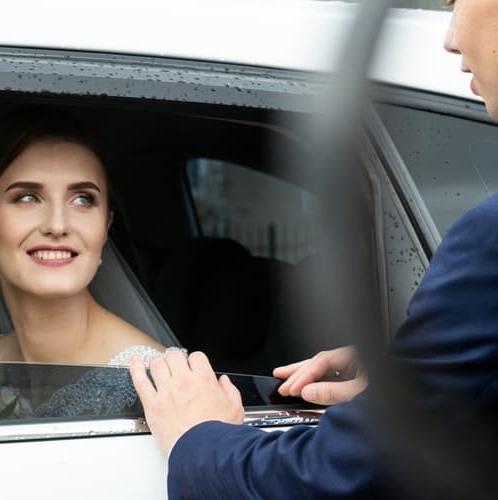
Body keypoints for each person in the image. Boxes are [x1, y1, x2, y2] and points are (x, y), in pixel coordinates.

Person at [130, 1, 498, 498]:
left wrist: (197, 438)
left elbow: (344, 478)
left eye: (458, 0)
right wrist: (415, 381)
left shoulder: (489, 239)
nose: (450, 38)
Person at [0, 111, 182, 366]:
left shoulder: (158, 379)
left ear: (106, 225)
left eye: (82, 199)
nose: (57, 225)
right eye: (28, 197)